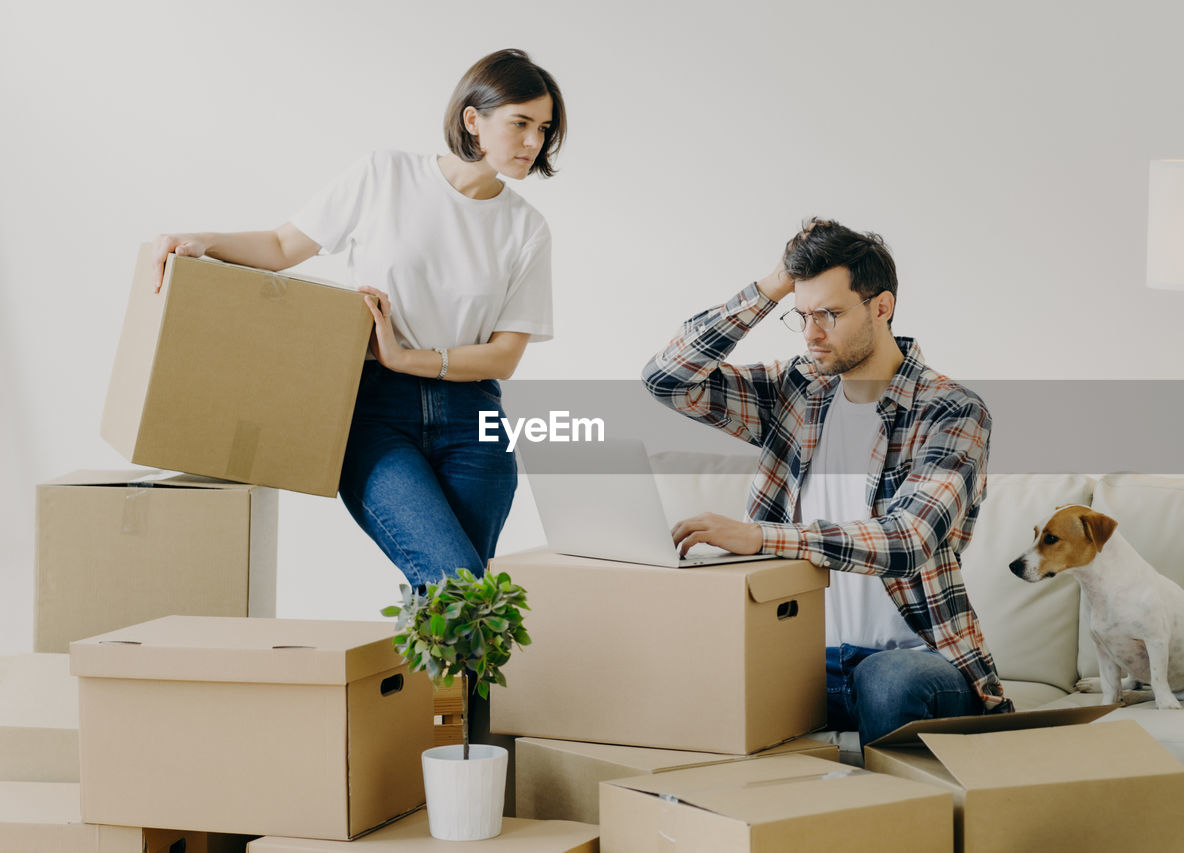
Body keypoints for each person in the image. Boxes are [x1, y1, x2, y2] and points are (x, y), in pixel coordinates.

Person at [152, 49, 566, 589]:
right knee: (457, 582)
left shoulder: (526, 228)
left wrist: (405, 354)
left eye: (544, 128)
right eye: (520, 123)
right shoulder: (385, 175)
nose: (534, 143)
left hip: (474, 422)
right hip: (376, 414)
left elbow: (503, 356)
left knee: (461, 609)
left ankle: (441, 680)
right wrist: (203, 240)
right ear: (473, 119)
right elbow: (281, 245)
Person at [641, 219, 1012, 747]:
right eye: (803, 316)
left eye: (830, 315)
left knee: (890, 682)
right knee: (676, 673)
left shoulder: (950, 410)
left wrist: (762, 538)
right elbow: (667, 378)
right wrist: (772, 284)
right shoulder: (796, 392)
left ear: (881, 308)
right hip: (800, 658)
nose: (813, 334)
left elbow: (908, 540)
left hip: (912, 662)